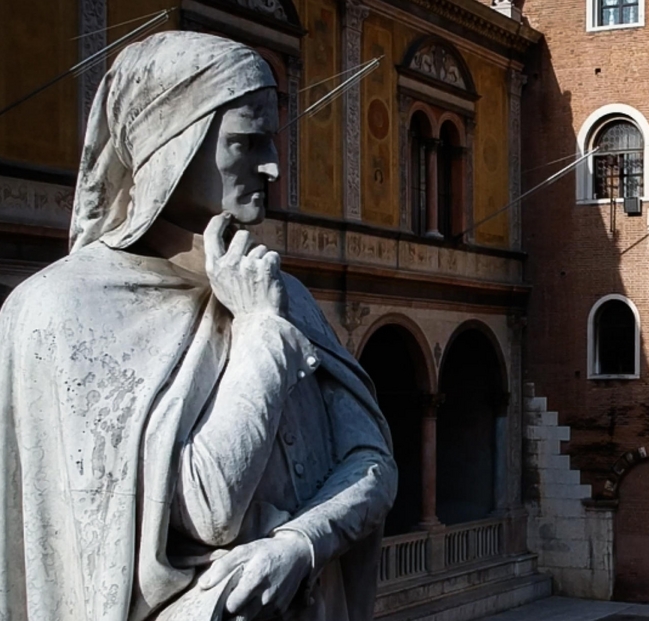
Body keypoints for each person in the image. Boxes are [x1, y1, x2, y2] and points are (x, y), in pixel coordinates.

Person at [0, 31, 396, 621]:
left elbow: (374, 459)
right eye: (246, 141)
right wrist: (261, 333)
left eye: (273, 140)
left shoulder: (282, 290)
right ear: (172, 147)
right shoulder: (60, 308)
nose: (273, 165)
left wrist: (300, 543)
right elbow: (211, 507)